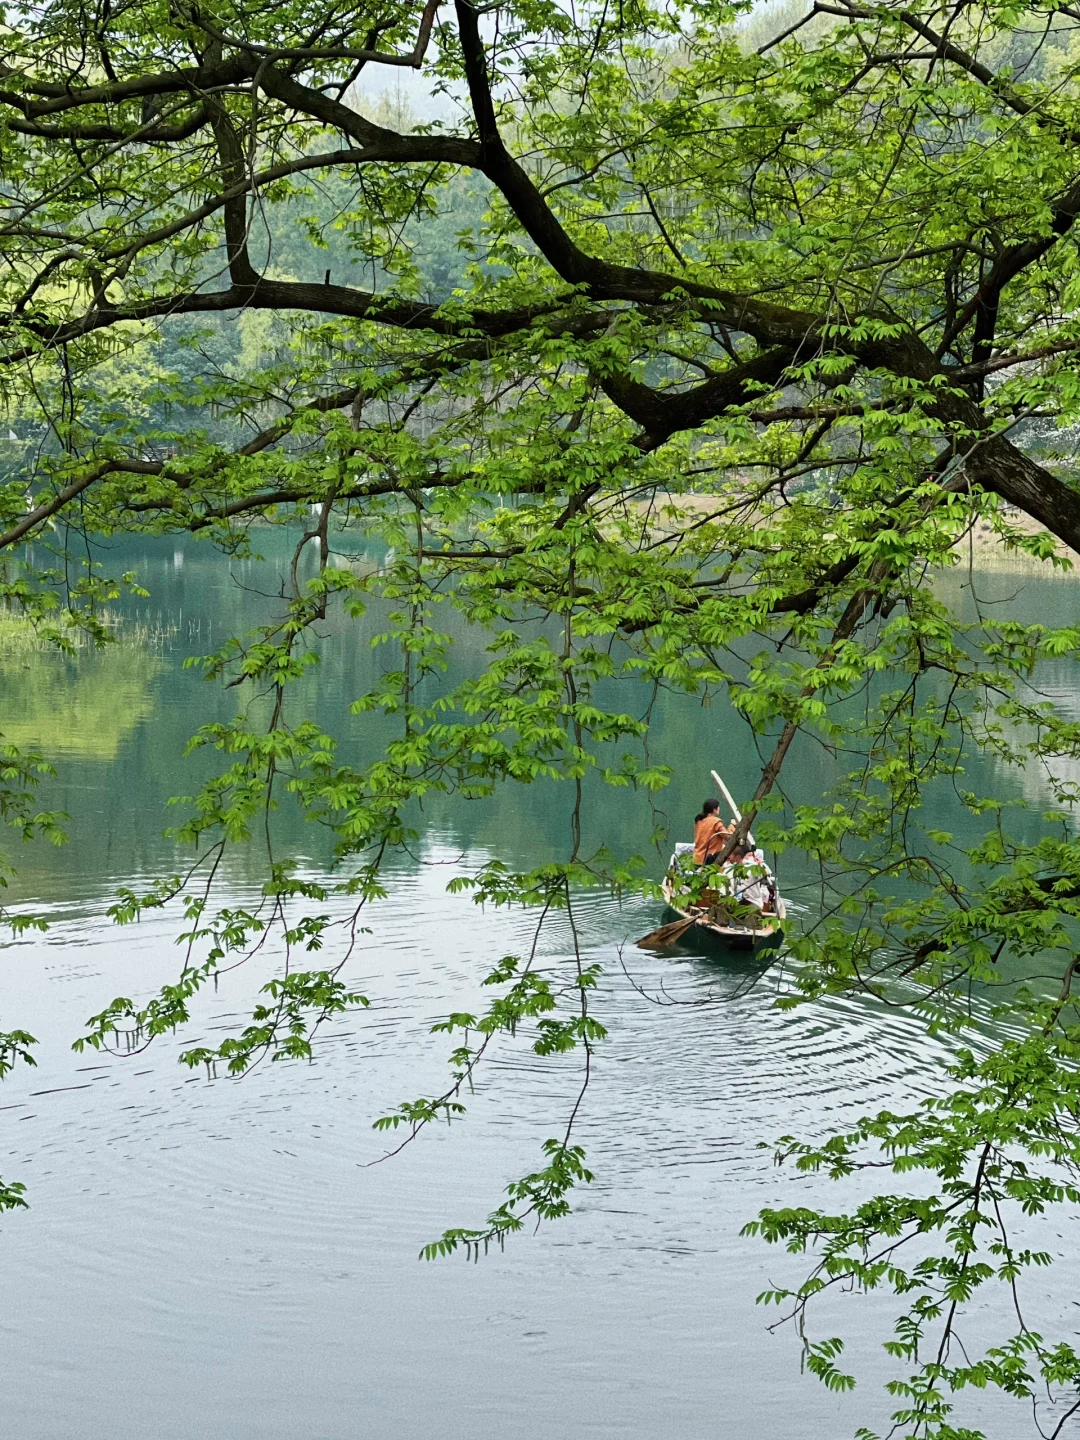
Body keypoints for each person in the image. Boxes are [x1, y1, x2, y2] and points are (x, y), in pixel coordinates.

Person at [693, 798, 730, 864]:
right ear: (714, 809)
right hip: (710, 859)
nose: (719, 808)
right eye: (718, 807)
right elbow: (728, 836)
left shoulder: (699, 821)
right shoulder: (715, 822)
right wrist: (732, 826)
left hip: (697, 858)